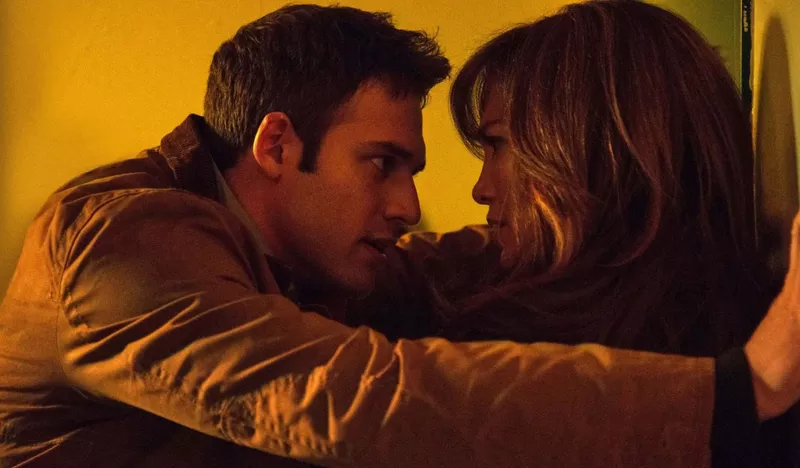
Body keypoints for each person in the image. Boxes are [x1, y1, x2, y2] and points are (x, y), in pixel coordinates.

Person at [0, 3, 799, 468]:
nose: (411, 206)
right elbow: (353, 398)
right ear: (276, 146)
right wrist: (738, 391)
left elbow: (432, 271)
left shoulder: (292, 259)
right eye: (380, 164)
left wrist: (593, 219)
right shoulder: (121, 244)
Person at [354, 0, 796, 465]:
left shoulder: (555, 366)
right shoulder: (495, 283)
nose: (481, 190)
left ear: (596, 154)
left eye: (499, 145)